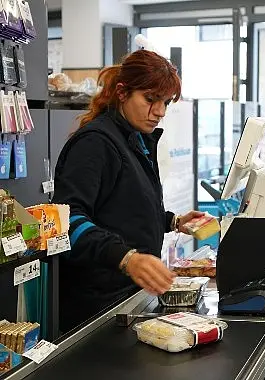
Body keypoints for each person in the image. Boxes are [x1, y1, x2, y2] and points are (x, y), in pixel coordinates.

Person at [53, 49, 204, 333]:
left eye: (165, 102)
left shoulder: (134, 139)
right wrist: (126, 258)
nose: (159, 111)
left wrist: (173, 221)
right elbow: (66, 221)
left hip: (129, 300)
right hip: (95, 309)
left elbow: (126, 209)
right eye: (150, 99)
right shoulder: (96, 144)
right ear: (122, 93)